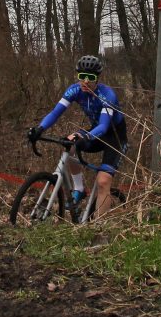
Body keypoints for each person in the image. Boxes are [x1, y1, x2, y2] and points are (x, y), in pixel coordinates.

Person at [26, 55, 127, 217]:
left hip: (114, 137)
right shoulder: (74, 90)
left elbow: (104, 125)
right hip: (96, 131)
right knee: (70, 142)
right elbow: (55, 113)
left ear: (98, 78)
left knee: (103, 181)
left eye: (91, 78)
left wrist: (86, 137)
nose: (85, 82)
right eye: (82, 77)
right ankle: (79, 189)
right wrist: (40, 128)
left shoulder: (107, 95)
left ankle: (99, 228)